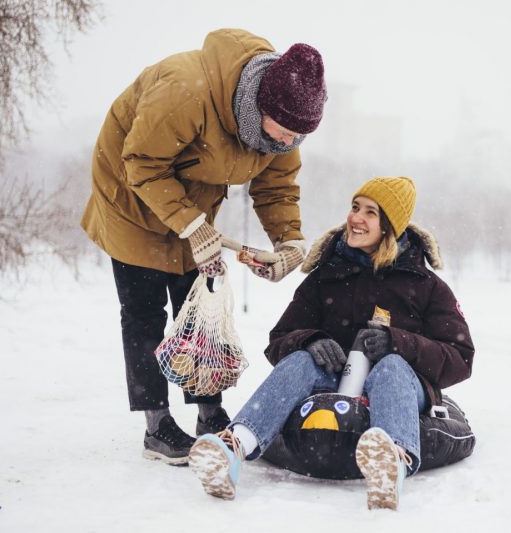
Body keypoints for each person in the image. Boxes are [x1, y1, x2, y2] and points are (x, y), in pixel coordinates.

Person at [80, 29, 327, 466]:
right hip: (131, 197)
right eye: (285, 132)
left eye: (297, 136)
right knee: (143, 310)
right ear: (259, 107)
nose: (288, 142)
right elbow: (141, 164)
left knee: (201, 309)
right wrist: (192, 225)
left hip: (190, 203)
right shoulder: (185, 91)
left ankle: (209, 413)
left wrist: (288, 241)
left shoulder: (284, 129)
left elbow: (277, 186)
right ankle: (156, 424)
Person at [188, 176, 475, 510]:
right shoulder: (327, 275)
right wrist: (311, 340)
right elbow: (279, 340)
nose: (356, 218)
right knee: (300, 360)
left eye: (370, 212)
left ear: (389, 226)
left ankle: (390, 464)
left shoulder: (425, 285)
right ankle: (233, 448)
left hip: (398, 387)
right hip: (334, 383)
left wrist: (398, 343)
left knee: (392, 366)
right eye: (355, 207)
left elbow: (461, 358)